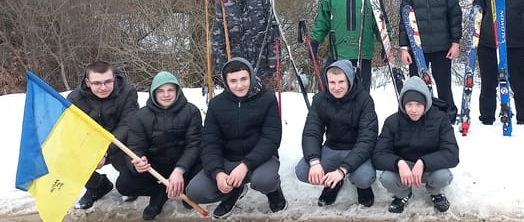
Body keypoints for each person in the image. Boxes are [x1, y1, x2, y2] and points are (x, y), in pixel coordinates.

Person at [185, 57, 286, 219]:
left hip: (260, 159)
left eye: (244, 79)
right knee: (195, 191)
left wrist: (245, 165)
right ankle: (232, 192)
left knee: (264, 180)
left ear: (251, 77)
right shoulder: (216, 104)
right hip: (227, 160)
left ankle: (273, 191)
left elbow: (271, 138)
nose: (239, 85)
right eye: (233, 81)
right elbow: (209, 143)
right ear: (226, 82)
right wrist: (217, 173)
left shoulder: (267, 99)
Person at [115, 71, 202, 220]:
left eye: (170, 90)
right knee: (124, 183)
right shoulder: (140, 116)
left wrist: (180, 170)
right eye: (160, 91)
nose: (166, 95)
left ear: (177, 91)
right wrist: (137, 162)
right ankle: (160, 192)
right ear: (153, 92)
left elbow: (194, 144)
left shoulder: (191, 111)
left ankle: (188, 190)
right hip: (155, 169)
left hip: (185, 166)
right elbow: (135, 147)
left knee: (205, 163)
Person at [295, 60, 378, 207]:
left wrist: (342, 170)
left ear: (349, 80)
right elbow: (311, 132)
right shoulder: (320, 99)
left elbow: (367, 140)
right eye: (332, 82)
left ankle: (361, 187)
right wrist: (314, 162)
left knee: (364, 178)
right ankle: (332, 183)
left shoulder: (364, 100)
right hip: (332, 148)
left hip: (357, 148)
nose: (336, 87)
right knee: (302, 170)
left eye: (341, 82)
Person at [373, 76, 459, 213]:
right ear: (403, 104)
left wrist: (423, 162)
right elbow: (378, 155)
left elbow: (452, 154)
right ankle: (403, 194)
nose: (413, 110)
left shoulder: (440, 120)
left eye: (418, 105)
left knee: (443, 176)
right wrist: (399, 163)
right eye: (409, 105)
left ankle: (436, 193)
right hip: (404, 169)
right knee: (386, 177)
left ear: (426, 103)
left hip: (430, 167)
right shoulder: (392, 121)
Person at [310, 0, 388, 91]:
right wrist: (314, 42)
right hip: (338, 53)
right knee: (330, 91)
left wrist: (385, 44)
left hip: (363, 53)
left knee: (361, 95)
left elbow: (380, 21)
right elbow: (322, 20)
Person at [398, 0, 462, 118]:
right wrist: (404, 48)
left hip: (442, 47)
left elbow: (455, 17)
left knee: (444, 84)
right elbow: (404, 23)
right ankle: (419, 115)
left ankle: (448, 115)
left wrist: (455, 42)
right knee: (417, 84)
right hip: (418, 49)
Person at [67, 61, 139, 209]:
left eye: (108, 82)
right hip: (91, 144)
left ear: (114, 78)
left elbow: (128, 124)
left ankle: (129, 182)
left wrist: (104, 151)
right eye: (97, 83)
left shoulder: (128, 92)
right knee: (67, 158)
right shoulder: (74, 99)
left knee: (133, 158)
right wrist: (94, 152)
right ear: (88, 82)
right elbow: (74, 131)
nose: (103, 87)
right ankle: (98, 186)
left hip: (122, 143)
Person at [211, 0, 280, 89]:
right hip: (236, 67)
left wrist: (273, 62)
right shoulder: (224, 4)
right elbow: (217, 38)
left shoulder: (263, 0)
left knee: (264, 102)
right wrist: (221, 66)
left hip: (262, 65)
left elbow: (274, 34)